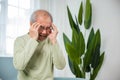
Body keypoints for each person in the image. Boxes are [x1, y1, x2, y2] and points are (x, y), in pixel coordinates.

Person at [13, 9, 66, 80]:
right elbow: (19, 65)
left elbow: (61, 66)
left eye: (48, 28)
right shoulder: (20, 40)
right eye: (41, 27)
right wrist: (33, 39)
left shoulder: (51, 41)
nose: (44, 32)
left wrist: (54, 41)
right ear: (31, 25)